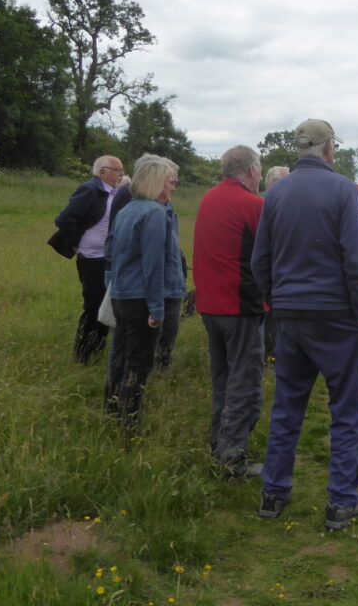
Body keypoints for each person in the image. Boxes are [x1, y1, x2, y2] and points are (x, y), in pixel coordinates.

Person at [251, 119, 358, 530]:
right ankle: (342, 501)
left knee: (287, 405)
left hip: (290, 315)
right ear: (328, 149)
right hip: (337, 316)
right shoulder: (343, 188)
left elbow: (260, 260)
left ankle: (273, 493)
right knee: (344, 409)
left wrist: (276, 301)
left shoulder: (276, 191)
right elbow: (356, 260)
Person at [193, 145, 266, 478]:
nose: (262, 176)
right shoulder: (253, 204)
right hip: (240, 307)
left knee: (222, 379)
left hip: (210, 305)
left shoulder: (209, 198)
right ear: (250, 171)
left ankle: (218, 443)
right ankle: (232, 458)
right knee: (244, 382)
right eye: (260, 169)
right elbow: (273, 253)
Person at [105, 155, 184, 429]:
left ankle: (112, 408)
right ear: (156, 182)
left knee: (119, 355)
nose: (173, 186)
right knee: (138, 362)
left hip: (122, 295)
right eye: (170, 181)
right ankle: (129, 421)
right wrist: (157, 308)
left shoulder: (128, 210)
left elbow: (112, 254)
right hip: (141, 299)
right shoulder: (153, 214)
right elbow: (153, 266)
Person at [48, 155, 124, 363]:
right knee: (94, 306)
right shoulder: (90, 190)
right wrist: (76, 244)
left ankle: (97, 348)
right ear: (103, 172)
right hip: (91, 259)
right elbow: (64, 219)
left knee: (105, 305)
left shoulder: (114, 192)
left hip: (107, 258)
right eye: (117, 170)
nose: (122, 174)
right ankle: (84, 354)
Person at [261, 165, 290, 362]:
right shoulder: (264, 203)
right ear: (272, 183)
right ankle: (269, 353)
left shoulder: (279, 202)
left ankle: (273, 350)